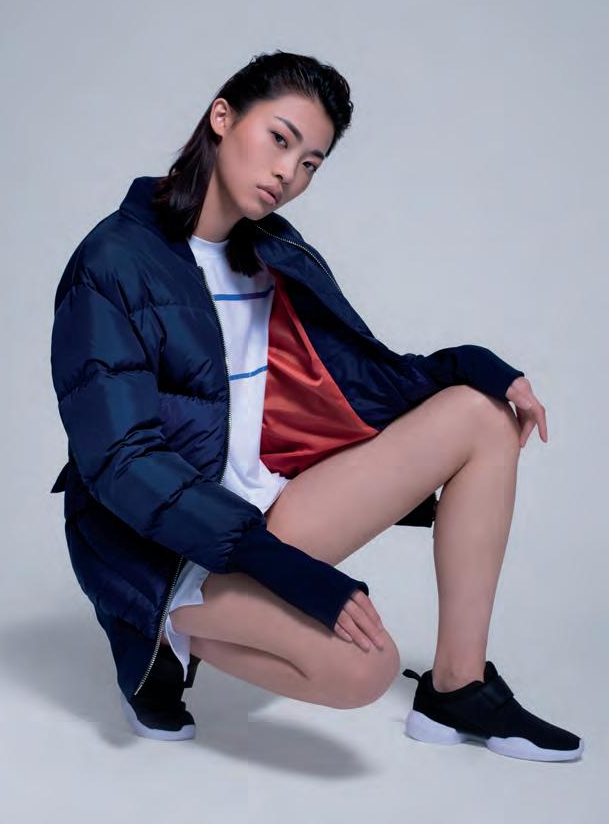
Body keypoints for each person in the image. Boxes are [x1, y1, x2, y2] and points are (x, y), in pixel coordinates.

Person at [49, 50, 583, 761]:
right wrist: (287, 573)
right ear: (222, 117)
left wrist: (472, 367)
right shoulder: (113, 261)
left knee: (480, 415)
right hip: (165, 545)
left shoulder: (272, 252)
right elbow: (121, 460)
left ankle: (458, 687)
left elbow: (359, 379)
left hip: (266, 512)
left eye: (310, 163)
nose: (288, 174)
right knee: (366, 667)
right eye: (279, 139)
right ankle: (161, 632)